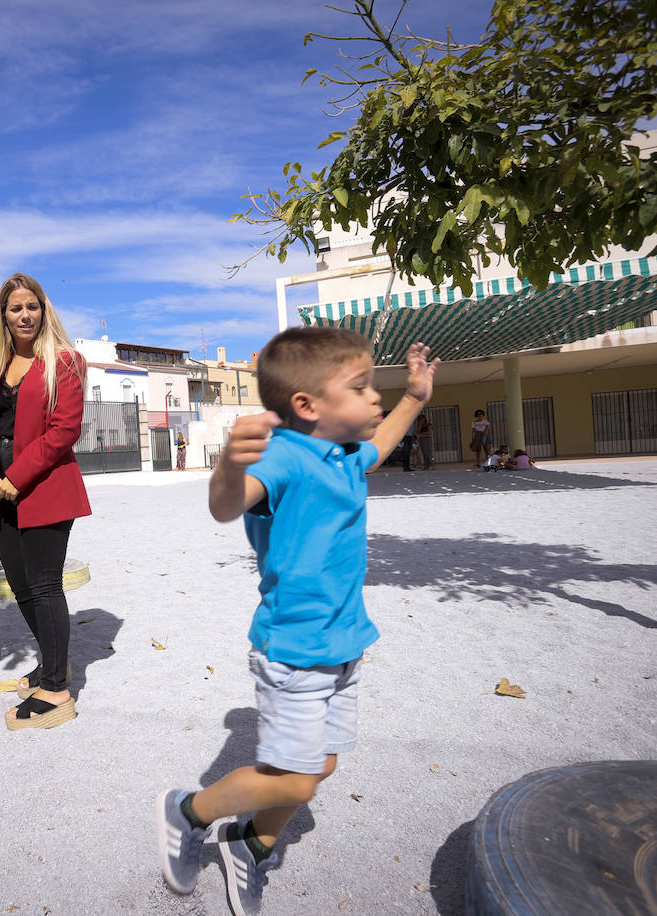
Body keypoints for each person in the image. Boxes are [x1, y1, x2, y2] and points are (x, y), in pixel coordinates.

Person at [156, 328, 438, 915]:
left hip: (343, 645)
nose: (374, 398)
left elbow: (381, 443)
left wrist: (414, 397)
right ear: (308, 406)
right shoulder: (282, 455)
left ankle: (250, 845)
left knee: (324, 763)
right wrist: (229, 465)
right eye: (360, 387)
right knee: (296, 781)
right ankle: (188, 811)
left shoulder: (341, 454)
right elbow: (226, 506)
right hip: (292, 651)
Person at [0, 273, 91, 731]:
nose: (24, 315)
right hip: (2, 496)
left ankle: (57, 692)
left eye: (32, 306)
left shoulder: (65, 361)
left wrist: (14, 479)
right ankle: (51, 666)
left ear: (44, 310)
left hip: (44, 490)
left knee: (44, 587)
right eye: (15, 308)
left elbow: (64, 430)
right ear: (3, 316)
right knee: (22, 587)